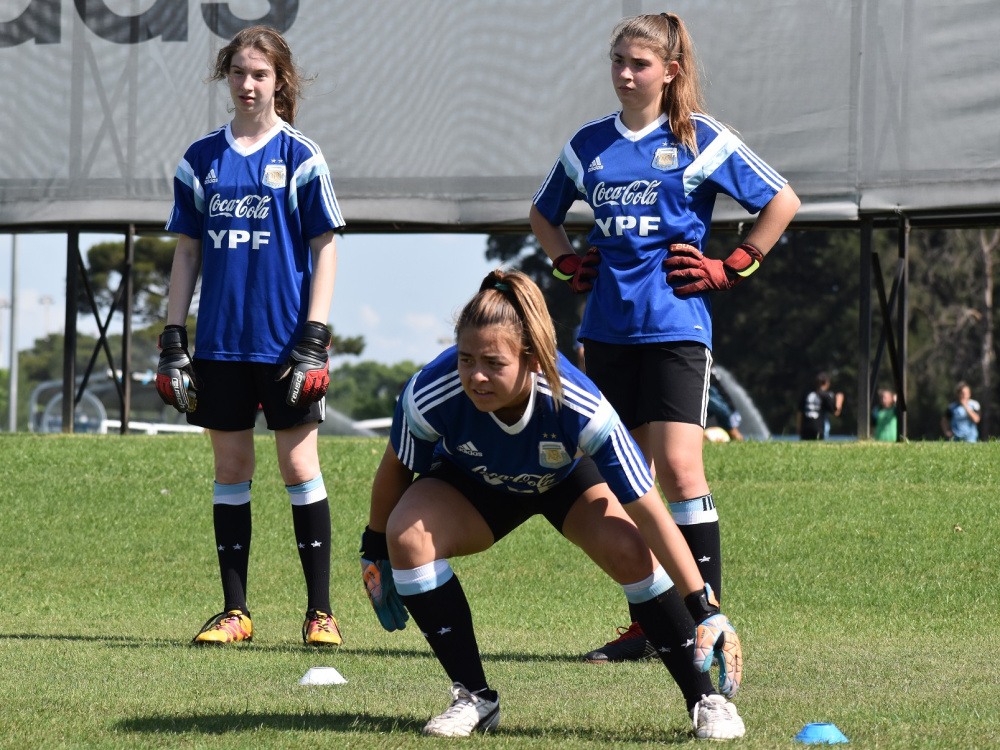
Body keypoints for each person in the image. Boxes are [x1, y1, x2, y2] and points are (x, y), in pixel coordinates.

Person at [360, 270, 745, 740]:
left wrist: (704, 607)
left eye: (493, 363)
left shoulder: (581, 404)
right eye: (465, 359)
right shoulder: (430, 390)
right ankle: (474, 698)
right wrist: (375, 548)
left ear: (533, 360)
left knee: (630, 548)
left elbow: (649, 511)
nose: (476, 376)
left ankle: (706, 700)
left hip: (565, 481)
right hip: (472, 481)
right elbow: (397, 465)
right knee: (406, 536)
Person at [528, 12, 800, 661]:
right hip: (606, 334)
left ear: (670, 71)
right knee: (628, 481)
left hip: (677, 329)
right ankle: (650, 627)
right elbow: (542, 213)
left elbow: (782, 201)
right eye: (618, 61)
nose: (625, 74)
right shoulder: (589, 143)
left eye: (639, 64)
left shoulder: (701, 137)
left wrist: (734, 265)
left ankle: (708, 624)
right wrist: (565, 262)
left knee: (679, 469)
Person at [157, 26, 345, 646]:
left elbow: (325, 247)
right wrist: (173, 336)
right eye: (238, 72)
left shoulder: (300, 155)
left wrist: (314, 335)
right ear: (226, 76)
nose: (248, 84)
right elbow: (187, 252)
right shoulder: (200, 158)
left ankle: (320, 613)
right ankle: (235, 612)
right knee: (231, 466)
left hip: (286, 344)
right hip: (219, 344)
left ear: (279, 81)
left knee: (298, 466)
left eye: (260, 74)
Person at [797, 372, 844, 441]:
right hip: (819, 428)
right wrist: (839, 401)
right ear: (827, 383)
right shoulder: (826, 395)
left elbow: (800, 413)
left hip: (805, 428)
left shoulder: (806, 393)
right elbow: (836, 412)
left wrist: (799, 427)